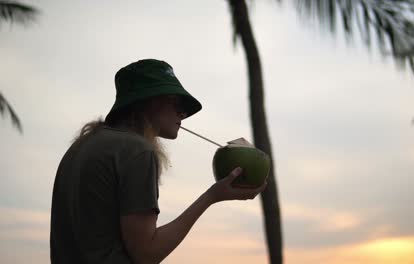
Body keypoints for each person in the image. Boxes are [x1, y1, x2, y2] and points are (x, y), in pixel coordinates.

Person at [50, 59, 267, 264]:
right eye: (175, 103)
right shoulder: (137, 151)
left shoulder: (82, 146)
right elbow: (147, 253)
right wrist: (211, 196)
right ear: (147, 102)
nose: (182, 112)